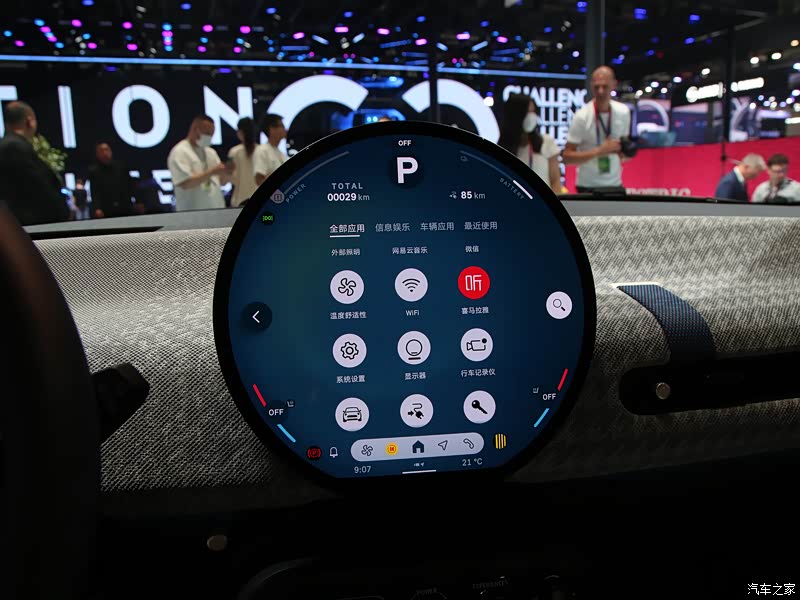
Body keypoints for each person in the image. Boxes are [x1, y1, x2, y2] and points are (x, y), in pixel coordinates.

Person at [562, 66, 632, 192]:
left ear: (614, 85)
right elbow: (567, 157)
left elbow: (623, 153)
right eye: (596, 87)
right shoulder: (582, 116)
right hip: (587, 186)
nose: (600, 91)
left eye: (605, 86)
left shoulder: (623, 112)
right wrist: (599, 151)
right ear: (591, 86)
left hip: (615, 184)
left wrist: (626, 152)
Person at [0, 101, 69, 225]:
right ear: (29, 121)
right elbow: (38, 189)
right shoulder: (15, 147)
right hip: (29, 226)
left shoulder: (10, 145)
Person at [498, 93, 561, 193]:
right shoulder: (501, 150)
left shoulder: (546, 142)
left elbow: (555, 181)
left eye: (533, 112)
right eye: (528, 113)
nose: (532, 117)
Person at [167, 115, 230, 211]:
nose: (209, 137)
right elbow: (185, 183)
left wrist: (227, 172)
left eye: (211, 135)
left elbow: (222, 182)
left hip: (216, 210)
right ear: (195, 129)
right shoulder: (180, 152)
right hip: (193, 213)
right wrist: (211, 172)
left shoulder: (211, 152)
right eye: (207, 133)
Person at [88, 142, 133, 218]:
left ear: (110, 151)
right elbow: (94, 191)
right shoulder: (94, 171)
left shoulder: (121, 167)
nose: (104, 153)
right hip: (106, 208)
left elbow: (129, 186)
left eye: (106, 150)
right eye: (101, 151)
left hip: (124, 207)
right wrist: (97, 208)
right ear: (97, 154)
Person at [227, 117, 259, 207]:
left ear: (240, 132)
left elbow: (231, 177)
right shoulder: (261, 151)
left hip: (239, 200)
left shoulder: (234, 152)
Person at [254, 114, 288, 186]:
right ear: (271, 129)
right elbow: (259, 179)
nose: (285, 129)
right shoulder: (262, 150)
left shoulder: (281, 153)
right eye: (282, 126)